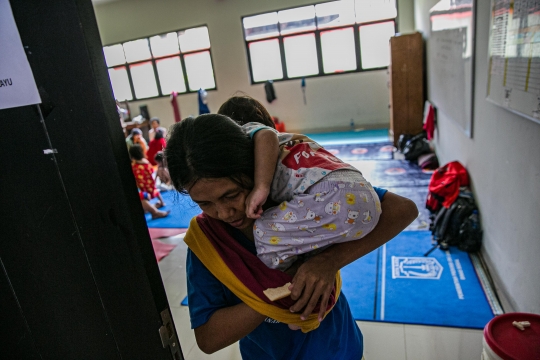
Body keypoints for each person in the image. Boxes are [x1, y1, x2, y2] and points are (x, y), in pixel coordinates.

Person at [165, 114, 418, 358]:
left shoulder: (300, 194)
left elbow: (401, 209)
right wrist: (278, 293)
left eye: (230, 195)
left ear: (253, 168)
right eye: (204, 203)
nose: (223, 212)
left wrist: (329, 261)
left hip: (337, 348)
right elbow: (208, 338)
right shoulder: (208, 240)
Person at [129, 144, 169, 219]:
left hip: (144, 186)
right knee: (151, 192)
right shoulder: (144, 162)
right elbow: (151, 171)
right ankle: (155, 211)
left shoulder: (135, 165)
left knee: (148, 194)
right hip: (149, 185)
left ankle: (154, 209)